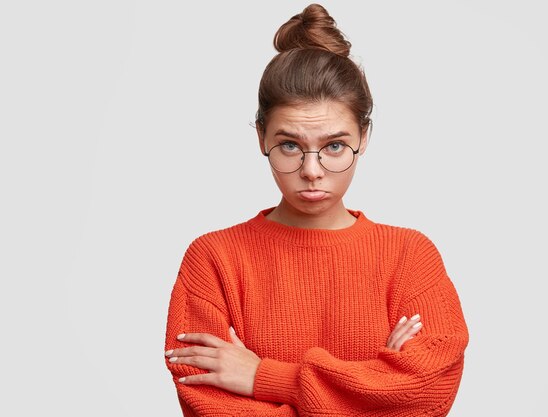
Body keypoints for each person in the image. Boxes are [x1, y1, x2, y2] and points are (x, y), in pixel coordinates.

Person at [164, 4, 469, 416]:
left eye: (334, 146)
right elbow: (209, 406)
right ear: (260, 136)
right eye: (289, 144)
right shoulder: (213, 260)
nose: (311, 171)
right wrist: (376, 389)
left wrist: (265, 378)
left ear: (364, 137)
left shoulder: (410, 257)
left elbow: (428, 395)